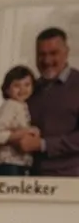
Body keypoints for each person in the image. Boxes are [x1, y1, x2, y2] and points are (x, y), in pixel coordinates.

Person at [8, 28, 79, 177]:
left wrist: (43, 144)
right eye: (41, 54)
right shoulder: (31, 88)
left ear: (66, 52)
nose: (46, 61)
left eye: (53, 53)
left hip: (70, 179)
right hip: (30, 177)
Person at [0, 66, 39, 177]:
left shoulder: (23, 106)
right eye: (17, 85)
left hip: (20, 165)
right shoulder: (10, 105)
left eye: (27, 85)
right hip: (9, 165)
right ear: (7, 89)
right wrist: (25, 132)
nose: (23, 89)